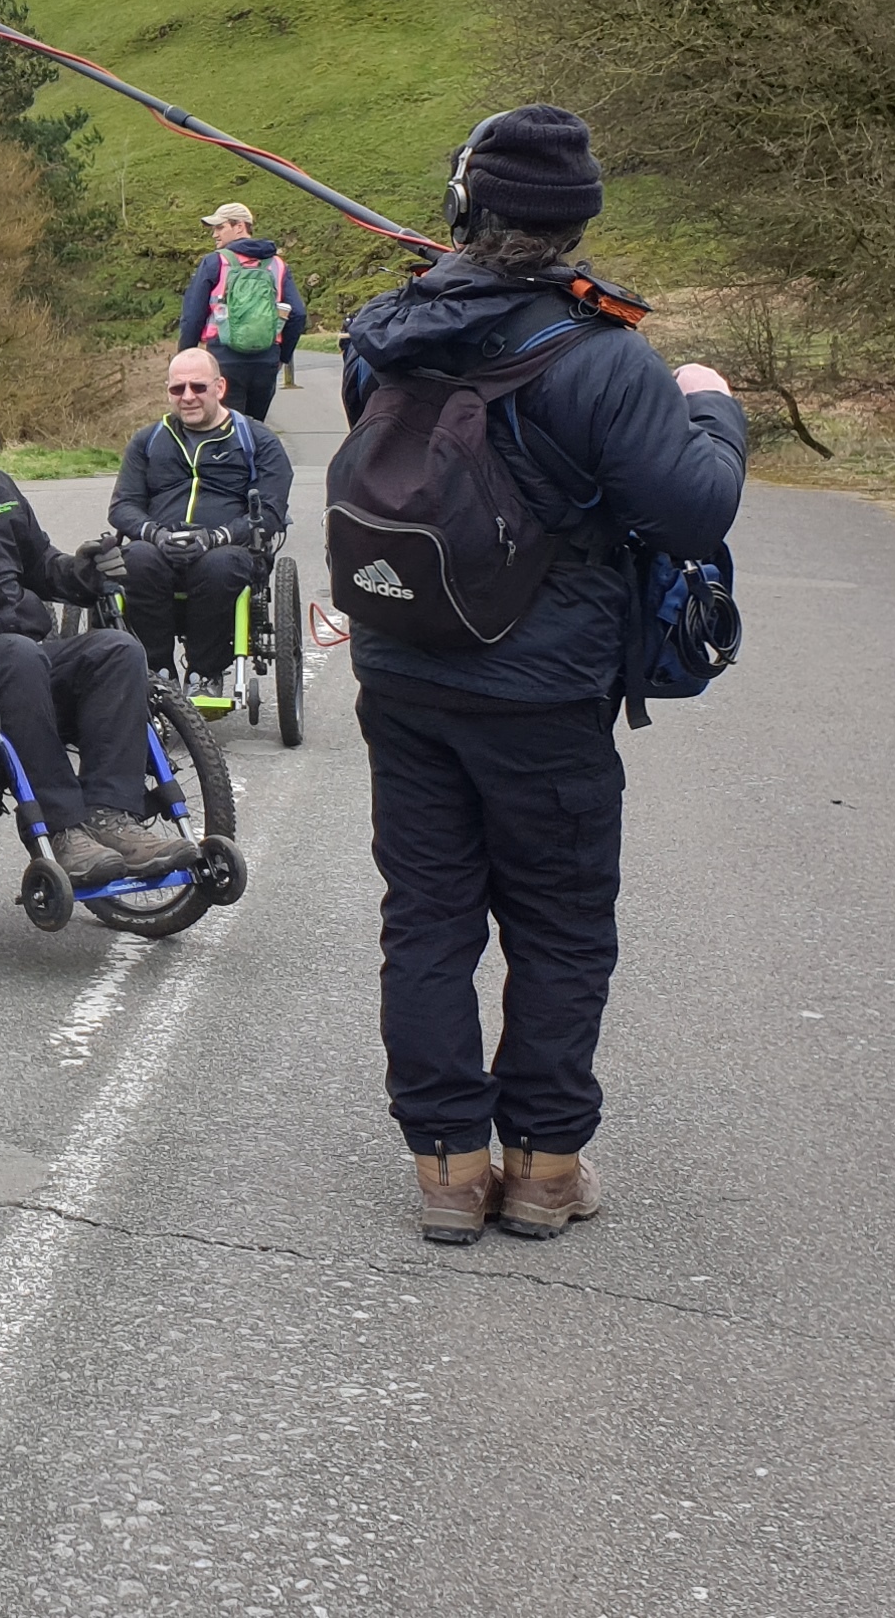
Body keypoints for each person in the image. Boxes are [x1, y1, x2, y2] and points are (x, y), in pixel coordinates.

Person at [334, 105, 744, 1245]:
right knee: (560, 925)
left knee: (426, 917)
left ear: (466, 206)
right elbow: (696, 510)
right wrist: (713, 408)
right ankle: (546, 1167)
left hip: (406, 671)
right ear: (577, 220)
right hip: (544, 691)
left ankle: (450, 1168)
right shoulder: (608, 357)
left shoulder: (386, 329)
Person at [0, 418, 189, 874]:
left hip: (22, 653)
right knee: (18, 655)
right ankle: (64, 829)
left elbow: (41, 564)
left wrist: (86, 573)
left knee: (116, 651)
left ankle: (110, 814)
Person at [108, 345, 294, 684]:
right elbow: (123, 506)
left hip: (227, 551)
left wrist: (215, 537)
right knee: (135, 559)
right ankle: (157, 669)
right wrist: (156, 535)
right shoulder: (147, 440)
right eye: (177, 389)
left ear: (219, 388)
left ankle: (204, 674)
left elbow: (270, 511)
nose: (187, 396)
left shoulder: (257, 441)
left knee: (219, 565)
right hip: (160, 549)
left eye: (198, 387)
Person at [179, 200, 307, 419]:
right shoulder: (277, 265)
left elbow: (193, 317)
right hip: (266, 359)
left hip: (224, 358)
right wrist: (281, 358)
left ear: (240, 227)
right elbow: (298, 314)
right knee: (255, 429)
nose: (214, 235)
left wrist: (184, 363)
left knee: (224, 429)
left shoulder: (214, 262)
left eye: (220, 228)